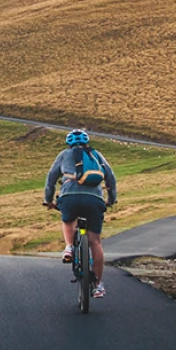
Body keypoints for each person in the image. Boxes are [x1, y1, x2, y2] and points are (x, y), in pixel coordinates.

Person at [44, 128, 117, 299]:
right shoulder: (96, 155)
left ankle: (69, 247)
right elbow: (111, 178)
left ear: (68, 144)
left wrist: (48, 200)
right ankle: (98, 285)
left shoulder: (64, 155)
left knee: (68, 220)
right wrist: (111, 200)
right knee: (95, 242)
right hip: (94, 199)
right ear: (87, 142)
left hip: (70, 197)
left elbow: (51, 178)